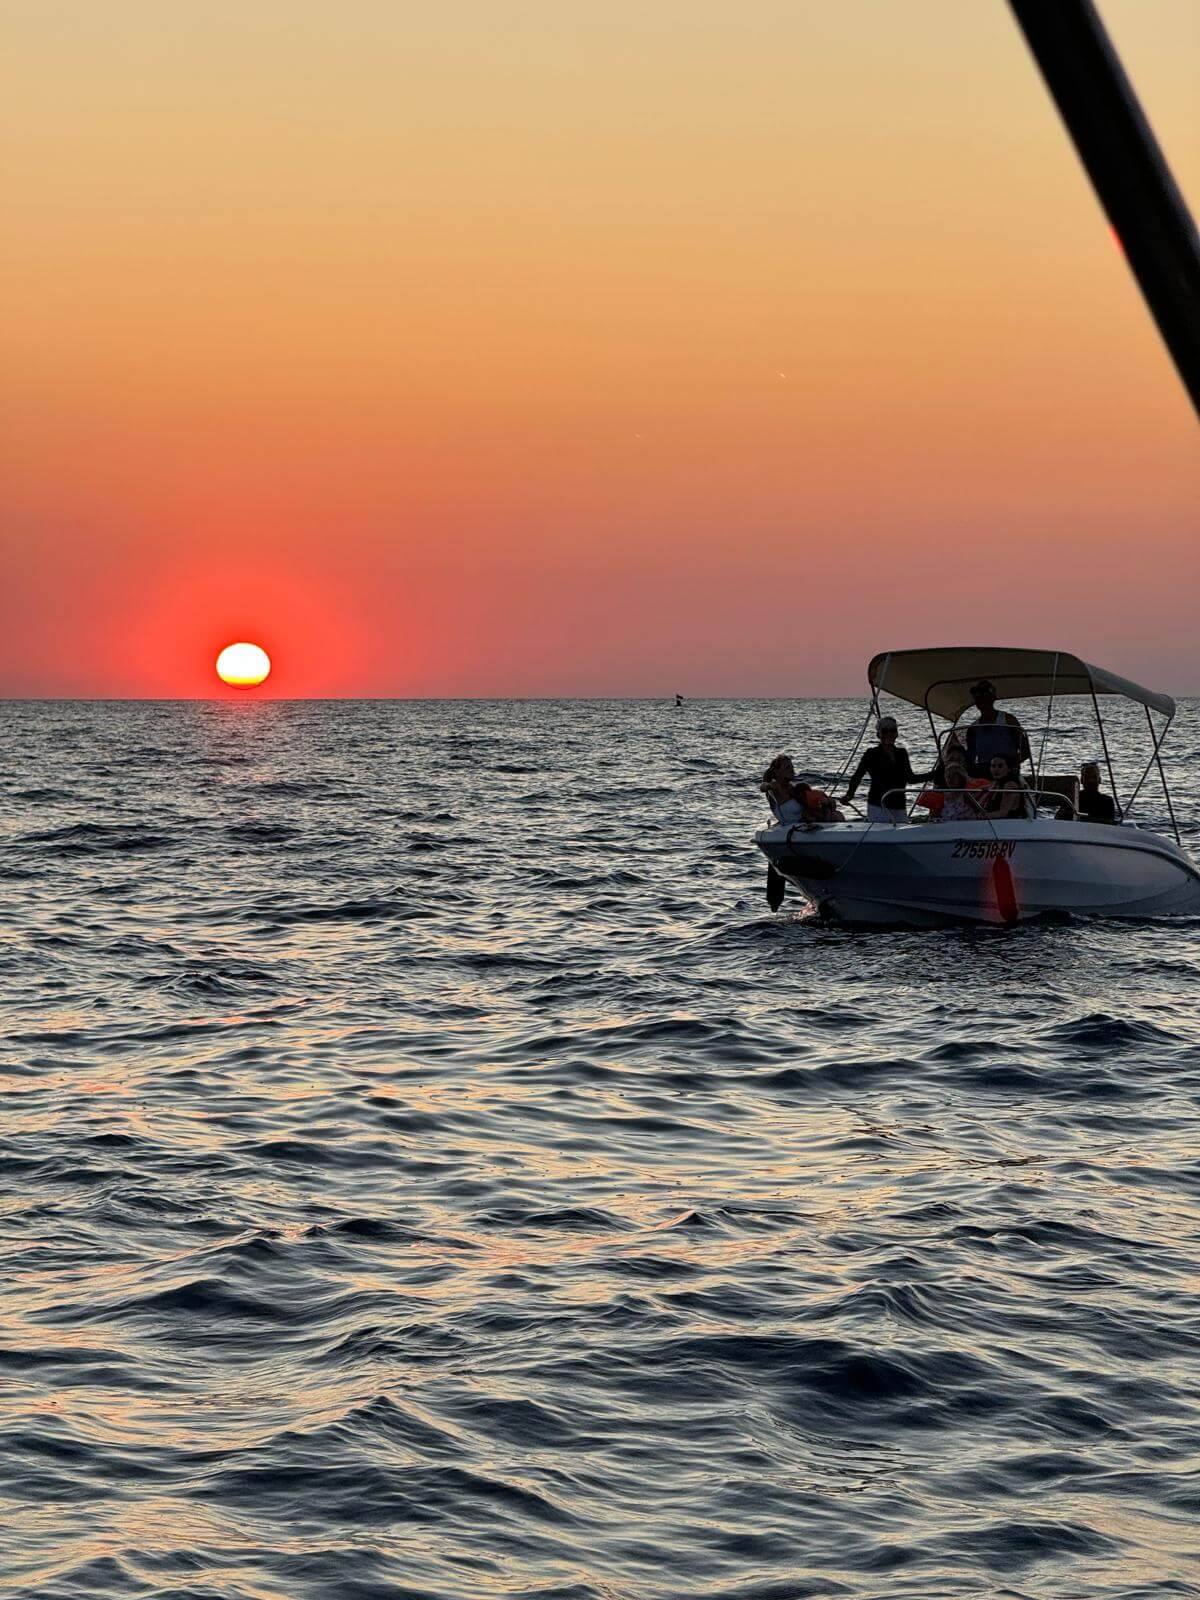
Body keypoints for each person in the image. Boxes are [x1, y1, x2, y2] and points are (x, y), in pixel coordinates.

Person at [843, 716, 923, 823]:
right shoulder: (871, 754)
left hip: (899, 804)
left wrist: (935, 774)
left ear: (897, 734)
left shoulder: (902, 753)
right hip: (878, 805)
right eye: (885, 731)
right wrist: (850, 794)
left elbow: (911, 778)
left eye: (892, 731)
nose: (889, 734)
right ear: (878, 734)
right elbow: (858, 775)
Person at [965, 679, 1031, 778]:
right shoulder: (973, 729)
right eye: (977, 696)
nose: (980, 699)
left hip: (1009, 774)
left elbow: (1025, 751)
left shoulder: (1009, 720)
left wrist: (1008, 766)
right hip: (984, 774)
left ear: (992, 698)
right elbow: (970, 758)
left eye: (984, 696)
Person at [935, 754, 987, 822]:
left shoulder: (968, 794)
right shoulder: (944, 796)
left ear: (960, 777)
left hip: (966, 826)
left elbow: (980, 812)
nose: (950, 780)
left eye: (953, 776)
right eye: (948, 777)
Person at [983, 754, 1033, 820]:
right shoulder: (997, 784)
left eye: (1000, 766)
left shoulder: (1010, 785)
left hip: (1008, 823)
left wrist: (979, 816)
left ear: (1008, 769)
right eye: (993, 766)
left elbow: (1003, 813)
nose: (996, 769)